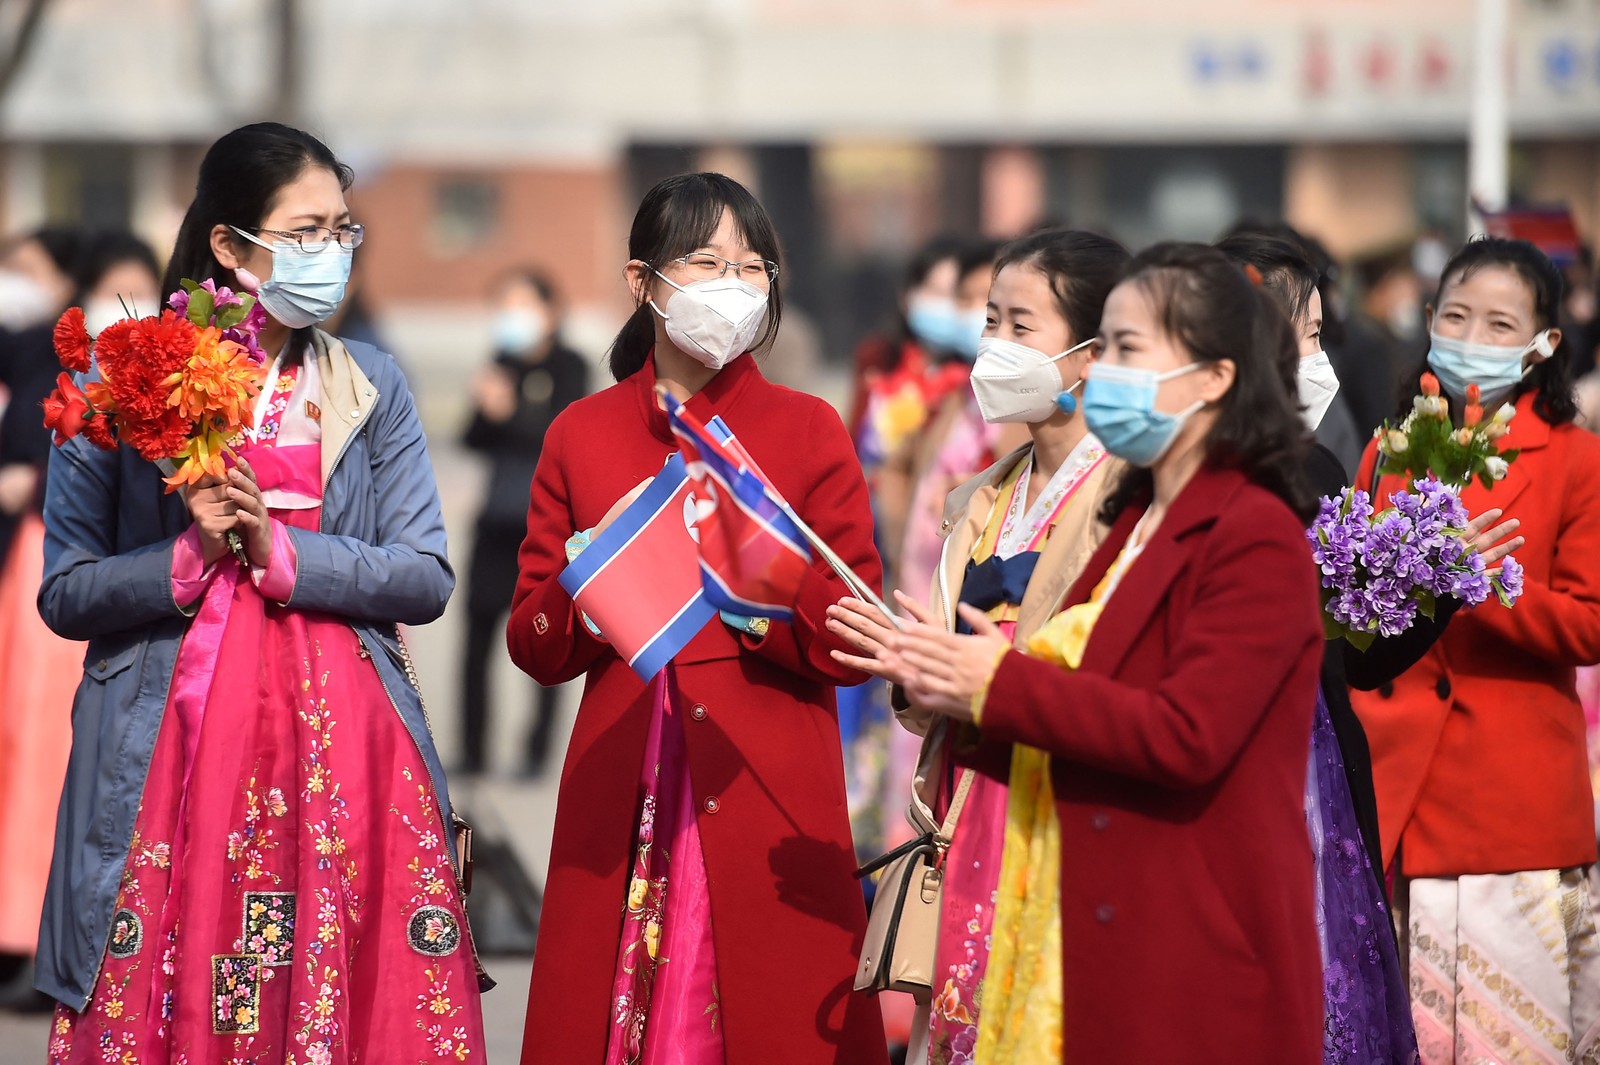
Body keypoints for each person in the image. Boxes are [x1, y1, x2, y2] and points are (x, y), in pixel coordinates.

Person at [37, 122, 486, 1063]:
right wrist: (187, 557)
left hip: (344, 748)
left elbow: (424, 573)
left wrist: (285, 554)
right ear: (231, 246)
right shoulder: (121, 380)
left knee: (327, 989)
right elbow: (67, 591)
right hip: (176, 744)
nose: (331, 252)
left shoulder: (371, 383)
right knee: (201, 982)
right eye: (307, 230)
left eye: (342, 230)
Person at [832, 242, 1327, 1063]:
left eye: (1131, 350)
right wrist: (941, 681)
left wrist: (993, 685)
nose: (1111, 372)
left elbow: (1186, 732)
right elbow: (1080, 697)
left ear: (1216, 377)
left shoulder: (1254, 532)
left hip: (1196, 920)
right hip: (1101, 897)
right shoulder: (1141, 518)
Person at [507, 172, 888, 1064]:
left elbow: (855, 635)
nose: (733, 285)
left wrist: (761, 594)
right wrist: (591, 586)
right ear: (644, 283)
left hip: (767, 783)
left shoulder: (809, 429)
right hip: (626, 785)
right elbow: (535, 642)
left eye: (753, 267)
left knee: (768, 1014)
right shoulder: (581, 432)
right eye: (708, 262)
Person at [1350, 236, 1600, 1063]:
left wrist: (1490, 582)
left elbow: (1590, 624)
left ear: (1544, 345)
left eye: (1501, 323)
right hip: (1394, 797)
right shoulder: (1387, 453)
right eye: (1456, 316)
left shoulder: (1577, 458)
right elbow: (1352, 612)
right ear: (1427, 321)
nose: (1474, 337)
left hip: (1510, 807)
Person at [883, 228, 1130, 1063]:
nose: (995, 346)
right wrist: (912, 669)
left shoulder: (1128, 501)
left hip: (1061, 815)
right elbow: (943, 677)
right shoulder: (982, 496)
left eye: (1022, 327)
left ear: (1094, 353)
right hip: (967, 803)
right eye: (990, 321)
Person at [0, 231, 161, 1014]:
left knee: (88, 763)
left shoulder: (173, 379)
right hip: (63, 572)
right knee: (31, 755)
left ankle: (66, 938)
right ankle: (25, 930)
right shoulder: (57, 362)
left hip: (118, 592)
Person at [459, 267, 589, 777]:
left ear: (551, 311)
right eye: (504, 306)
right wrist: (485, 409)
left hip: (545, 527)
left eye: (522, 305)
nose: (511, 317)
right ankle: (473, 751)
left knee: (545, 631)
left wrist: (508, 412)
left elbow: (556, 438)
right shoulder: (500, 362)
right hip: (495, 520)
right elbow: (472, 439)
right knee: (476, 640)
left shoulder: (570, 366)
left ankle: (535, 754)